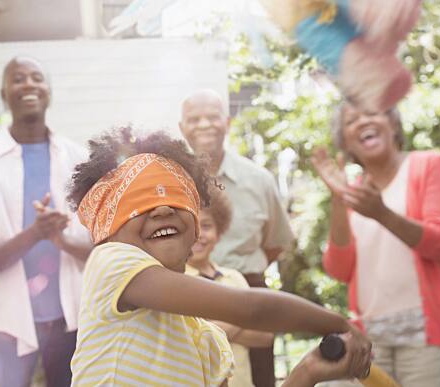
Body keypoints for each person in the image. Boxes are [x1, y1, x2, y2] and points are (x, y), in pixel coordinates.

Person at [68, 127, 371, 386]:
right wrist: (338, 324)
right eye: (137, 204)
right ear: (107, 230)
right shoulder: (112, 262)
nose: (162, 209)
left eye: (176, 199)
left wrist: (307, 373)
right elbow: (251, 309)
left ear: (196, 231)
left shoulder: (208, 342)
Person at [311, 102, 440, 386]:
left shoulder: (430, 165)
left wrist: (381, 213)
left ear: (394, 124)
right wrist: (339, 198)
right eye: (351, 121)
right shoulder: (356, 191)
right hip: (371, 339)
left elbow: (439, 242)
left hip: (430, 338)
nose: (362, 122)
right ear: (345, 142)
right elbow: (339, 268)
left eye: (372, 112)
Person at [0, 56, 92, 387]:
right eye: (18, 79)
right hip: (11, 323)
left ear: (48, 92)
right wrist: (35, 233)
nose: (29, 84)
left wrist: (60, 239)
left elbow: (100, 245)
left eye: (36, 77)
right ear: (4, 94)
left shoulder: (77, 158)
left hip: (73, 319)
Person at [179, 89, 295, 386]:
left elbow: (276, 243)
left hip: (249, 289)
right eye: (194, 119)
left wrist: (238, 293)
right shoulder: (172, 182)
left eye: (213, 117)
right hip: (188, 296)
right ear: (182, 128)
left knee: (259, 380)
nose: (204, 124)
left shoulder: (259, 180)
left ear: (227, 123)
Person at [185, 189, 274, 387]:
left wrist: (210, 327)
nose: (199, 235)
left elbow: (266, 336)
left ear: (220, 231)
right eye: (192, 228)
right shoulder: (177, 282)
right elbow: (191, 341)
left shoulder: (234, 278)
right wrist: (244, 318)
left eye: (206, 226)